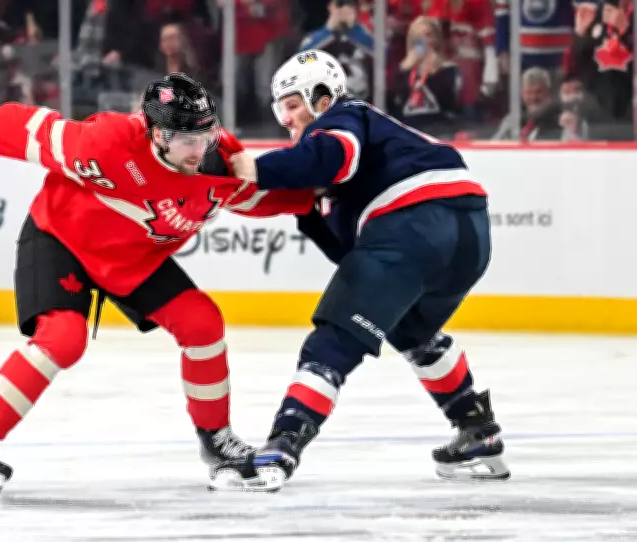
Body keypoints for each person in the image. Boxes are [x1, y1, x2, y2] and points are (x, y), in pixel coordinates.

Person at [0, 73, 315, 493]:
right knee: (62, 338)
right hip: (62, 237)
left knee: (202, 323)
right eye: (187, 139)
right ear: (158, 134)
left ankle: (217, 442)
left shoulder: (221, 162)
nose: (199, 149)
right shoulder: (107, 143)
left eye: (206, 135)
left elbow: (261, 198)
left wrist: (321, 196)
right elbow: (27, 128)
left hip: (133, 260)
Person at [209, 50, 510, 492]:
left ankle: (281, 448)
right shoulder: (361, 148)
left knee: (333, 340)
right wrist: (306, 209)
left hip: (414, 219)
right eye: (280, 110)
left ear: (322, 97)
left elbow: (336, 154)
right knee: (412, 330)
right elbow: (349, 251)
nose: (287, 120)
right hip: (470, 233)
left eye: (292, 105)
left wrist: (260, 168)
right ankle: (478, 433)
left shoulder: (344, 115)